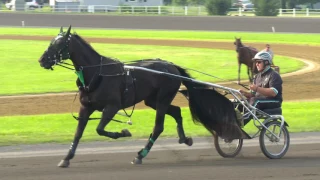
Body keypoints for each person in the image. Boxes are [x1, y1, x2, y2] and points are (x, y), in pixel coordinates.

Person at [237, 51, 283, 126]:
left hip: (274, 101)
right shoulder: (257, 76)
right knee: (240, 101)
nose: (256, 64)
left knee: (255, 101)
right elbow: (253, 95)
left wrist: (256, 88)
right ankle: (231, 120)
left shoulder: (274, 75)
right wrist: (244, 93)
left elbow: (273, 92)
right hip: (260, 101)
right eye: (256, 62)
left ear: (266, 62)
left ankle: (241, 122)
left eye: (259, 62)